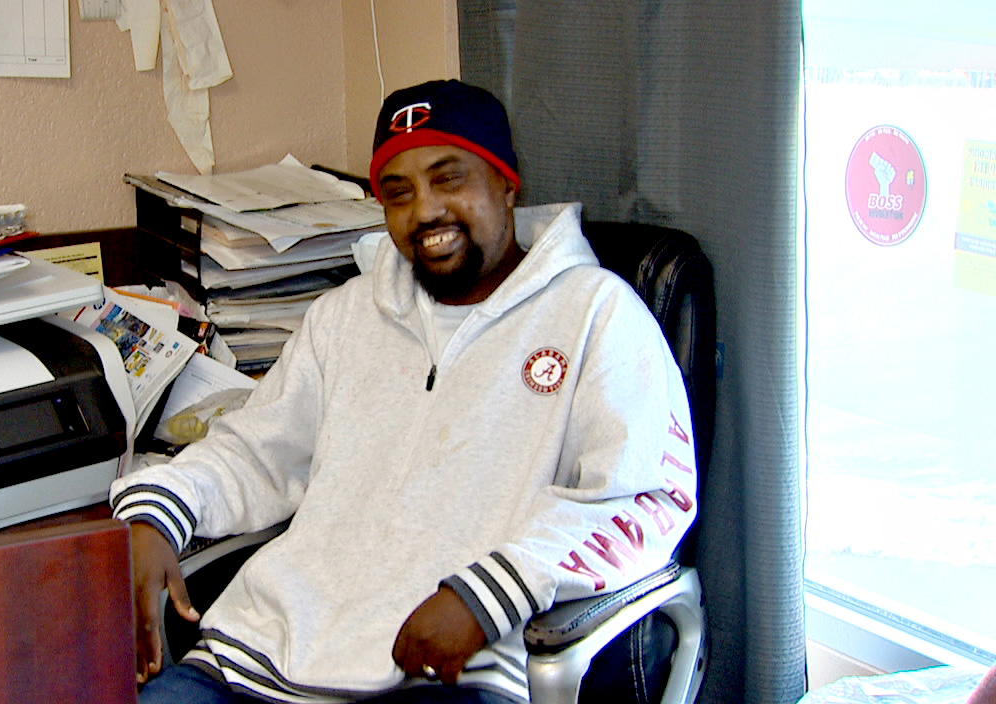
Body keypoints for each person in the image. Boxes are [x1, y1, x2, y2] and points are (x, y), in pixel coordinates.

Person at [113, 79, 699, 704]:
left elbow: (648, 497)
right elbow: (256, 451)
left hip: (450, 670)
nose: (424, 213)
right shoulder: (345, 316)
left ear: (506, 182)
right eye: (399, 193)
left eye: (449, 179)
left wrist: (488, 592)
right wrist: (155, 515)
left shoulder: (595, 313)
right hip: (257, 660)